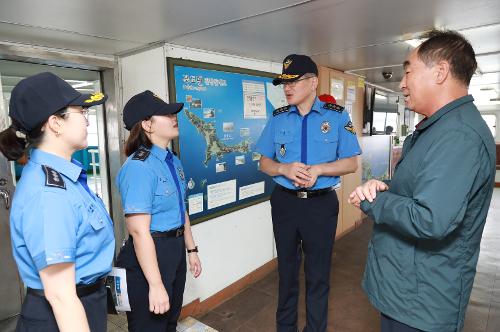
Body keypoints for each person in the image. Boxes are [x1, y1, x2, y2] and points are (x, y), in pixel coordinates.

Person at [348, 29, 496, 332]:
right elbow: (417, 186)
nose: (402, 83)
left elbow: (431, 219)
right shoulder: (435, 129)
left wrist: (375, 201)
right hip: (404, 291)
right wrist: (385, 185)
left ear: (440, 71)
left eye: (408, 72)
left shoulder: (458, 136)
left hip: (422, 302)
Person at [0, 72, 115, 331]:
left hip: (83, 303)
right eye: (81, 112)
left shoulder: (67, 176)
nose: (87, 120)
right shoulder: (49, 193)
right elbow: (61, 296)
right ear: (55, 123)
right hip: (62, 314)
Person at [255, 54, 361, 332]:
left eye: (294, 82)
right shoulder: (278, 118)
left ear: (313, 82)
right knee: (287, 273)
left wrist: (319, 170)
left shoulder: (337, 117)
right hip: (285, 204)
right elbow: (264, 163)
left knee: (318, 275)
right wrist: (284, 168)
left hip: (320, 205)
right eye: (284, 84)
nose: (287, 88)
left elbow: (351, 163)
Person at [115, 90, 202, 332]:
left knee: (170, 322)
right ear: (146, 124)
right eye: (165, 113)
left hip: (174, 250)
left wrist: (191, 249)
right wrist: (155, 284)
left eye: (173, 112)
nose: (174, 117)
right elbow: (139, 232)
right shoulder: (138, 168)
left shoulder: (171, 160)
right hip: (150, 253)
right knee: (150, 326)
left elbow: (181, 209)